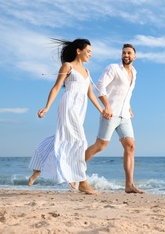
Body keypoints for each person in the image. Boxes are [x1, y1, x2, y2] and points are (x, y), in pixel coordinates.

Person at [28, 38, 103, 195]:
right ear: (78, 51)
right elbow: (56, 88)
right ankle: (82, 181)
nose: (90, 54)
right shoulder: (67, 66)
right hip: (68, 105)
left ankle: (39, 166)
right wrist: (47, 107)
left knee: (63, 138)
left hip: (81, 108)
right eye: (88, 51)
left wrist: (101, 110)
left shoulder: (87, 72)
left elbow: (90, 94)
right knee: (80, 140)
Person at [85, 43, 144, 194]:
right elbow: (100, 86)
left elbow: (126, 93)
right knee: (100, 145)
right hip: (110, 113)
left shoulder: (134, 72)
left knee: (130, 146)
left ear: (134, 57)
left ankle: (129, 185)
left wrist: (129, 108)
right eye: (124, 53)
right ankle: (74, 169)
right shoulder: (113, 68)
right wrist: (107, 106)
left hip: (124, 115)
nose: (126, 55)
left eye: (129, 53)